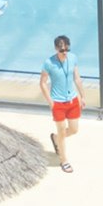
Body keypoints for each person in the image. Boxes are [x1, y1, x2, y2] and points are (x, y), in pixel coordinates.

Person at [42, 35, 83, 172]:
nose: (64, 52)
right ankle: (64, 160)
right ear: (56, 49)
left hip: (72, 100)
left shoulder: (73, 58)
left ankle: (55, 138)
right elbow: (42, 83)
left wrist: (82, 96)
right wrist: (50, 102)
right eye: (61, 50)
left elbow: (77, 78)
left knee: (74, 130)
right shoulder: (49, 63)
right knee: (61, 130)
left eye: (66, 49)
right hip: (57, 103)